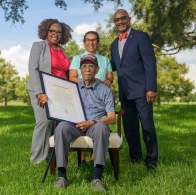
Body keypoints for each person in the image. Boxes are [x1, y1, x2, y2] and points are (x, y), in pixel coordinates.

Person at [53, 54, 115, 192]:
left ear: (97, 69)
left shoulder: (105, 90)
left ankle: (96, 178)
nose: (87, 69)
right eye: (84, 66)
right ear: (80, 69)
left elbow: (111, 117)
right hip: (75, 125)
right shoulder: (72, 88)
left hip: (95, 124)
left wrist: (92, 122)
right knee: (62, 126)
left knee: (101, 128)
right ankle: (62, 177)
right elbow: (61, 105)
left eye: (91, 66)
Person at [110, 9, 158, 171]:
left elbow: (150, 63)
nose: (120, 22)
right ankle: (135, 157)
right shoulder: (114, 44)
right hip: (125, 93)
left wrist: (151, 88)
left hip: (142, 91)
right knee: (130, 128)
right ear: (114, 23)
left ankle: (151, 160)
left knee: (147, 127)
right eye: (117, 20)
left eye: (123, 18)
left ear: (129, 19)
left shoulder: (141, 37)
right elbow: (113, 66)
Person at [26, 18, 73, 164]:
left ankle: (50, 156)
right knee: (44, 122)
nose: (56, 34)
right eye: (52, 31)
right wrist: (40, 92)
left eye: (59, 32)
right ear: (46, 31)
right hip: (40, 89)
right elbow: (33, 69)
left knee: (56, 124)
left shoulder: (62, 50)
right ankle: (36, 159)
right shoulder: (39, 46)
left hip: (58, 91)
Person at [69, 31, 113, 165]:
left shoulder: (105, 59)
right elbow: (72, 78)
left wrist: (104, 83)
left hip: (99, 94)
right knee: (84, 113)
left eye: (94, 40)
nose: (91, 42)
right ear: (84, 43)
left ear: (98, 43)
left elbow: (110, 77)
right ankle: (82, 158)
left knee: (97, 118)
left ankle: (96, 158)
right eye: (88, 40)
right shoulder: (77, 58)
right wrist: (89, 78)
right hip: (83, 91)